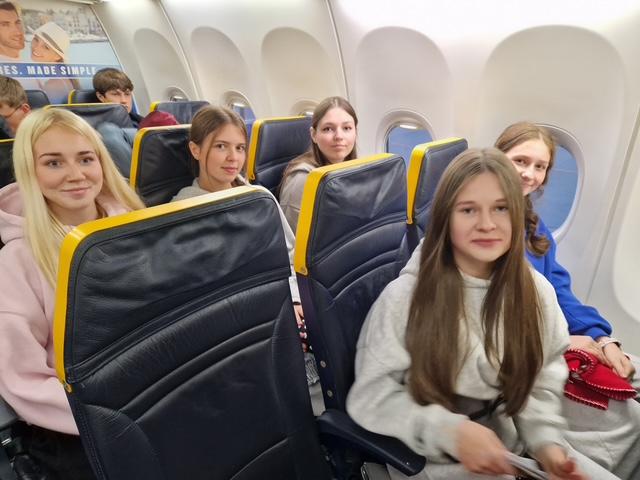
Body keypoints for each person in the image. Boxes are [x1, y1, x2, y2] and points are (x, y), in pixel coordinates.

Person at [346, 148, 621, 479]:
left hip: (510, 443)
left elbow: (541, 377)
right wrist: (449, 431)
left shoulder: (534, 292)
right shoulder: (406, 299)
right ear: (446, 219)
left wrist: (546, 443)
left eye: (501, 208)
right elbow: (371, 396)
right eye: (468, 210)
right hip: (434, 456)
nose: (487, 224)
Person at [0, 108, 145, 478]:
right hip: (80, 421)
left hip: (153, 390)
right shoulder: (18, 260)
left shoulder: (138, 226)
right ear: (31, 172)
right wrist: (113, 416)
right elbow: (23, 379)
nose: (76, 174)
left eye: (85, 159)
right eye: (54, 163)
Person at [495, 121, 640, 476]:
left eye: (540, 166)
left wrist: (601, 338)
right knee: (633, 417)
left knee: (632, 369)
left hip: (554, 340)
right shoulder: (480, 232)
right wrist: (561, 342)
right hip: (523, 362)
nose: (529, 174)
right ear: (497, 159)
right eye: (520, 161)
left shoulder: (531, 226)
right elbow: (490, 323)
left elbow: (559, 291)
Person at [172, 106, 321, 394]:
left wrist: (295, 300)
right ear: (195, 149)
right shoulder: (182, 212)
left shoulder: (259, 198)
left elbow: (289, 255)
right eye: (221, 146)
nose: (233, 158)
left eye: (240, 148)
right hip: (233, 323)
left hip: (279, 301)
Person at [279, 96, 358, 230]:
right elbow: (293, 238)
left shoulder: (355, 170)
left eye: (347, 128)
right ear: (314, 135)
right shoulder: (302, 179)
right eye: (328, 129)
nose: (339, 136)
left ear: (355, 132)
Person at [92, 67, 178, 177]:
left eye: (127, 94)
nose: (124, 100)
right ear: (101, 97)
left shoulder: (143, 122)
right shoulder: (97, 129)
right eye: (116, 94)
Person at [29, 22, 78, 105]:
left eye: (46, 47)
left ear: (58, 56)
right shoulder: (61, 77)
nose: (36, 47)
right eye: (36, 40)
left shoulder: (53, 84)